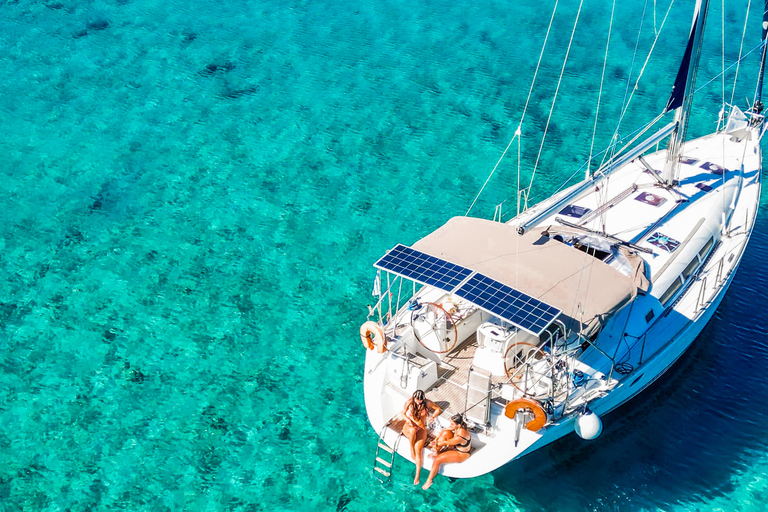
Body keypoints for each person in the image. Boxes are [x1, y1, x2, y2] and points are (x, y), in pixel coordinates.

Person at [401, 389, 441, 485]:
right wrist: (407, 420)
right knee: (413, 431)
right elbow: (403, 413)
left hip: (421, 427)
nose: (418, 402)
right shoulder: (409, 402)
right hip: (410, 427)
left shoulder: (427, 403)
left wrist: (433, 417)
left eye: (420, 400)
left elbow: (438, 409)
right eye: (417, 400)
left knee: (419, 451)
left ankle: (417, 475)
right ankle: (411, 448)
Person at [422, 414, 472, 490]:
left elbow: (445, 442)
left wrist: (434, 444)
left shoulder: (459, 437)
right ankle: (436, 452)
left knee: (437, 460)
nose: (450, 425)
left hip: (462, 453)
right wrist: (435, 440)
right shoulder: (459, 426)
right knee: (445, 432)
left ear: (458, 425)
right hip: (454, 446)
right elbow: (444, 430)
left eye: (452, 424)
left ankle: (429, 481)